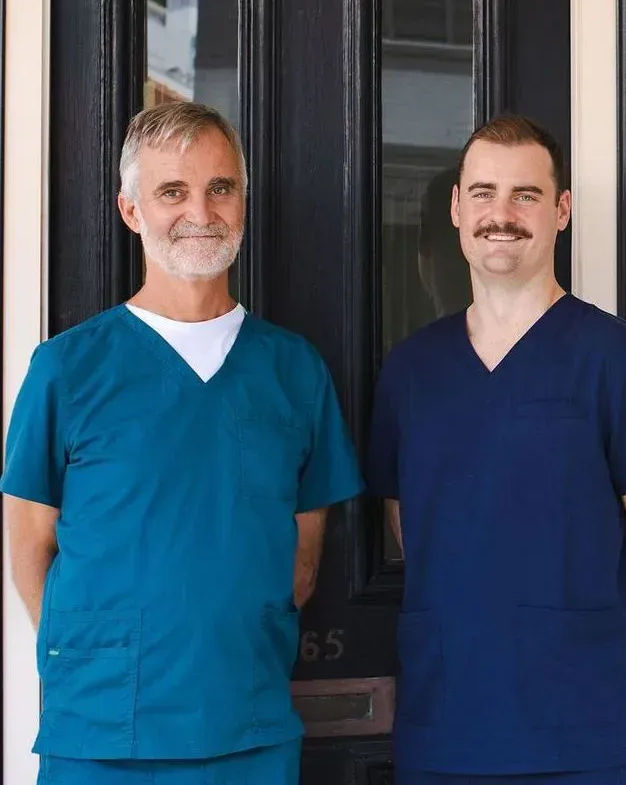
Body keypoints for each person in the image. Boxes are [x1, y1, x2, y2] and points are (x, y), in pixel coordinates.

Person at [1, 101, 365, 784]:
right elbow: (30, 548)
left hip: (247, 727)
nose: (201, 210)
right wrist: (99, 659)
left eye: (220, 187)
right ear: (131, 209)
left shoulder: (294, 370)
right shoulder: (67, 369)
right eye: (173, 190)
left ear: (244, 204)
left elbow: (302, 563)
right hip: (103, 736)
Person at [365, 115, 626, 785]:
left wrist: (592, 649)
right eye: (485, 192)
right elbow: (409, 526)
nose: (503, 213)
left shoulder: (616, 357)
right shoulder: (411, 371)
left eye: (526, 194)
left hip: (582, 734)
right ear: (458, 209)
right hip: (445, 730)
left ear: (561, 211)